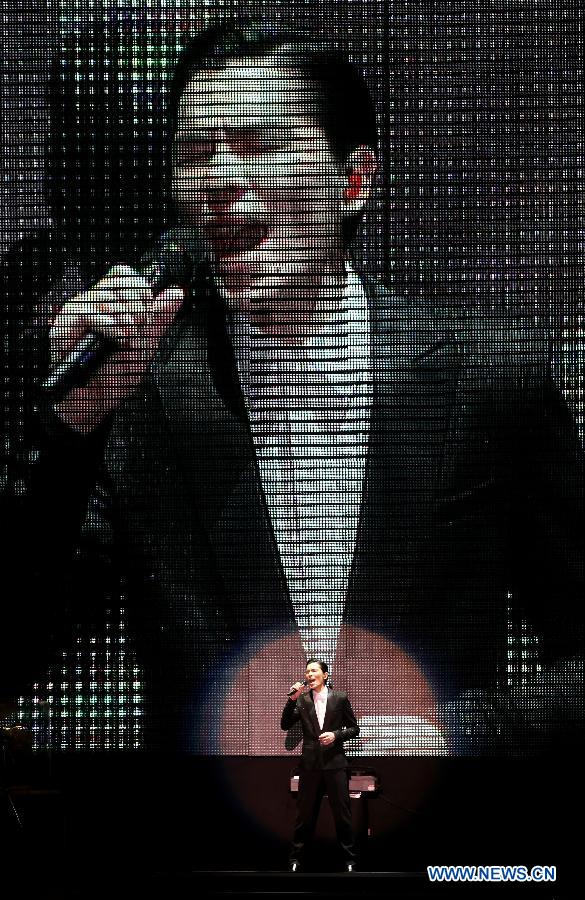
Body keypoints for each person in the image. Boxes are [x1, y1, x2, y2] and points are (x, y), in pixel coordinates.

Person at [1, 21, 583, 756]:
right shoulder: (142, 394)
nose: (216, 181)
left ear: (353, 180)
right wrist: (69, 428)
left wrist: (453, 735)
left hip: (428, 851)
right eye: (192, 155)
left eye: (256, 146)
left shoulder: (489, 376)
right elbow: (13, 652)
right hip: (209, 859)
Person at [281, 659, 359, 872]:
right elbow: (285, 724)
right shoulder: (303, 700)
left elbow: (354, 729)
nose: (309, 674)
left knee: (342, 815)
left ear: (325, 675)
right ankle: (295, 860)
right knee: (304, 815)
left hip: (335, 765)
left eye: (314, 670)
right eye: (307, 671)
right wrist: (291, 700)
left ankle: (350, 860)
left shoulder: (340, 698)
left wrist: (336, 735)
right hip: (310, 766)